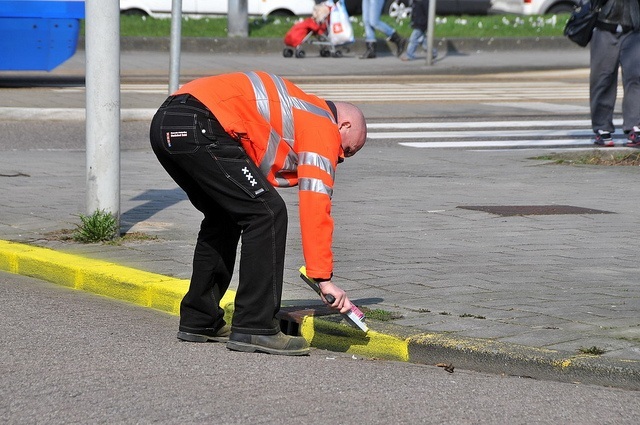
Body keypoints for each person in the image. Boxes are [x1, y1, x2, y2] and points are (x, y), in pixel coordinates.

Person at [149, 71, 367, 356]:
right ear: (344, 125)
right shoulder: (321, 124)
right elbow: (316, 205)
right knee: (268, 213)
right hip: (201, 122)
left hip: (167, 122)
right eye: (346, 150)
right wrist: (322, 277)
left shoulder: (296, 109)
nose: (339, 158)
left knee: (223, 216)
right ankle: (255, 327)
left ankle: (200, 319)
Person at [590, 0, 640, 147]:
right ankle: (602, 127)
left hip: (634, 28)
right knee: (603, 78)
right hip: (604, 26)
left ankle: (635, 126)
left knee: (635, 77)